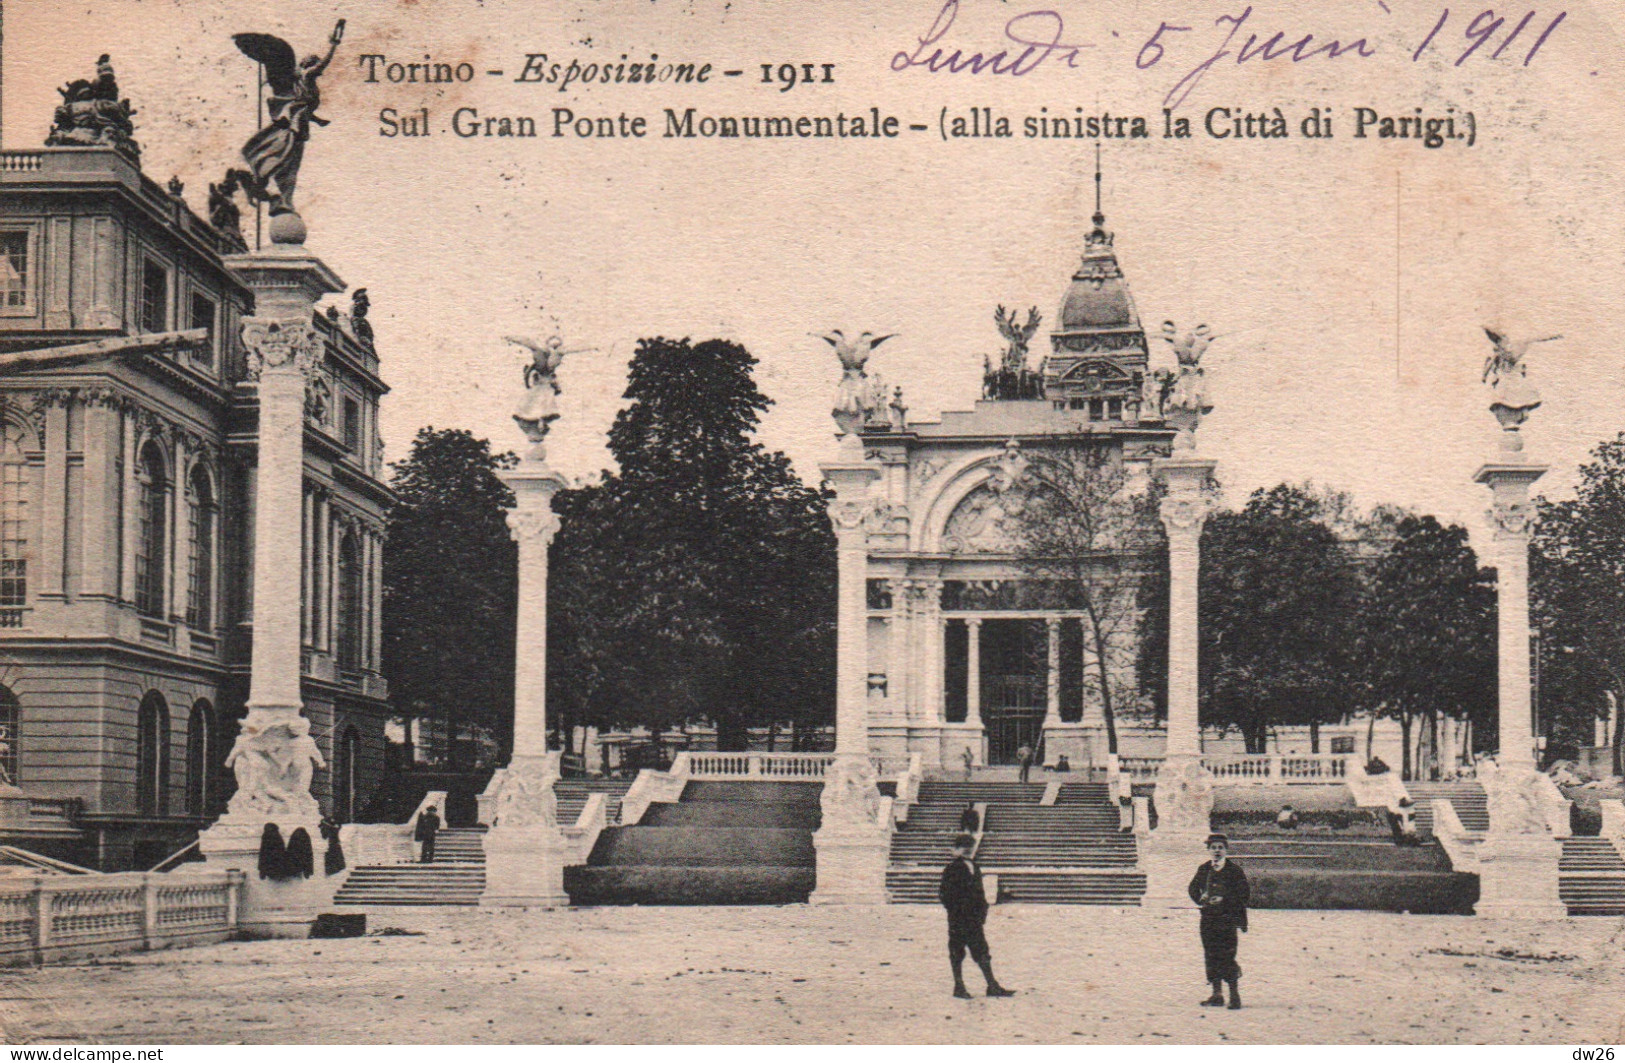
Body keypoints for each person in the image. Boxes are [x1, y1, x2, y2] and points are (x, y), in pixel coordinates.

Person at [939, 833, 1015, 1000]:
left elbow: (979, 893)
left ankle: (992, 985)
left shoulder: (975, 867)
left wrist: (982, 911)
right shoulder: (951, 869)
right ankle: (959, 986)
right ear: (956, 850)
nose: (967, 851)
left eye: (970, 848)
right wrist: (957, 911)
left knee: (982, 951)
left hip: (974, 919)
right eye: (964, 848)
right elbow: (945, 895)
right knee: (957, 952)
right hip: (959, 919)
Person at [1188, 832, 1249, 1010]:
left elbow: (1244, 893)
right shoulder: (1204, 869)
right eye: (1213, 848)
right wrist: (1201, 898)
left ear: (1226, 850)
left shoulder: (1234, 870)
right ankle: (1217, 994)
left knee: (1227, 955)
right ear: (1208, 850)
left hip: (1227, 919)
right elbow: (1192, 888)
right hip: (1208, 919)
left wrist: (1224, 899)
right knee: (1211, 954)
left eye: (1220, 848)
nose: (1217, 851)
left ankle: (1234, 995)